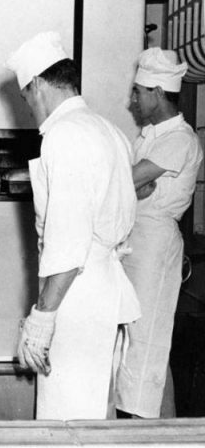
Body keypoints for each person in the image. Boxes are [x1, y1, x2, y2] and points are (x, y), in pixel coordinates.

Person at [4, 31, 141, 420]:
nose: (29, 107)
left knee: (67, 424)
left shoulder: (64, 136)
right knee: (98, 416)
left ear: (38, 85)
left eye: (26, 96)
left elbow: (68, 243)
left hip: (77, 301)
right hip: (106, 292)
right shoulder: (109, 130)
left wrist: (42, 318)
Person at [115, 48, 203, 418]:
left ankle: (141, 426)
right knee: (127, 333)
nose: (132, 99)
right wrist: (137, 186)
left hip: (155, 245)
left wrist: (136, 185)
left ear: (156, 92)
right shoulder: (148, 136)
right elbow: (134, 186)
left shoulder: (180, 138)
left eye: (138, 91)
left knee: (146, 336)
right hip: (133, 237)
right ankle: (129, 420)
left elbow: (128, 180)